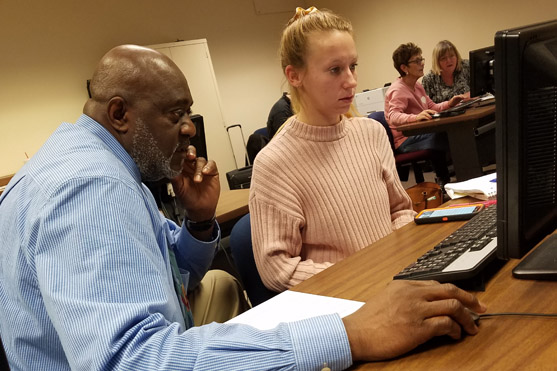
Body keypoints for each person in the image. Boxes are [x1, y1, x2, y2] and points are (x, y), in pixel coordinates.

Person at [0, 43, 486, 370]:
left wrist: (196, 222)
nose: (190, 128)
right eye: (176, 115)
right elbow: (137, 359)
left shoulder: (93, 162)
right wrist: (350, 335)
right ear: (120, 114)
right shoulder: (91, 187)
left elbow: (162, 267)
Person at [249, 7, 416, 293]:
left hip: (396, 281)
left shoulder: (371, 133)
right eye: (335, 69)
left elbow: (400, 209)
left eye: (353, 66)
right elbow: (277, 268)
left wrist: (397, 261)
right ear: (294, 75)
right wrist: (363, 276)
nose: (351, 80)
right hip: (345, 298)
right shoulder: (275, 163)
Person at [384, 42, 466, 185]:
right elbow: (394, 116)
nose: (422, 63)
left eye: (421, 59)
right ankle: (451, 179)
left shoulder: (417, 85)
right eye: (417, 61)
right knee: (448, 136)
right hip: (405, 140)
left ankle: (448, 179)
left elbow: (432, 107)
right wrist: (416, 117)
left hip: (421, 133)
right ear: (404, 68)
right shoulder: (397, 90)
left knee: (452, 132)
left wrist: (450, 103)